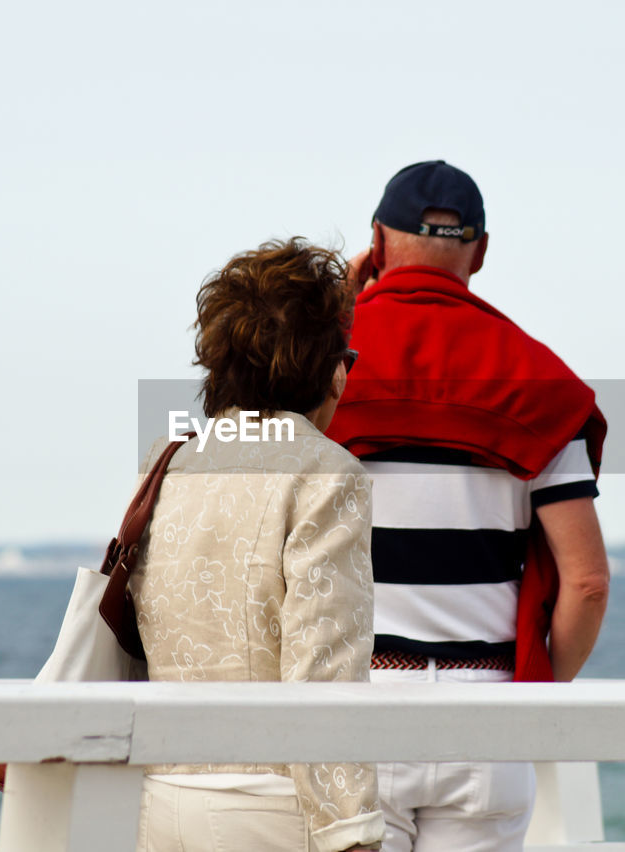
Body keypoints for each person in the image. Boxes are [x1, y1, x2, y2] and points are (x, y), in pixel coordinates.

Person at [324, 161, 610, 852]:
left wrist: (339, 302)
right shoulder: (541, 379)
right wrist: (532, 689)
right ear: (481, 252)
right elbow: (588, 583)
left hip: (353, 699)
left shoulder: (321, 362)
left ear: (377, 243)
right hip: (488, 713)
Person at [129, 238, 385, 852]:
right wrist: (351, 831)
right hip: (267, 808)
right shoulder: (326, 473)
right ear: (325, 367)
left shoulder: (168, 462)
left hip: (161, 800)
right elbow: (324, 671)